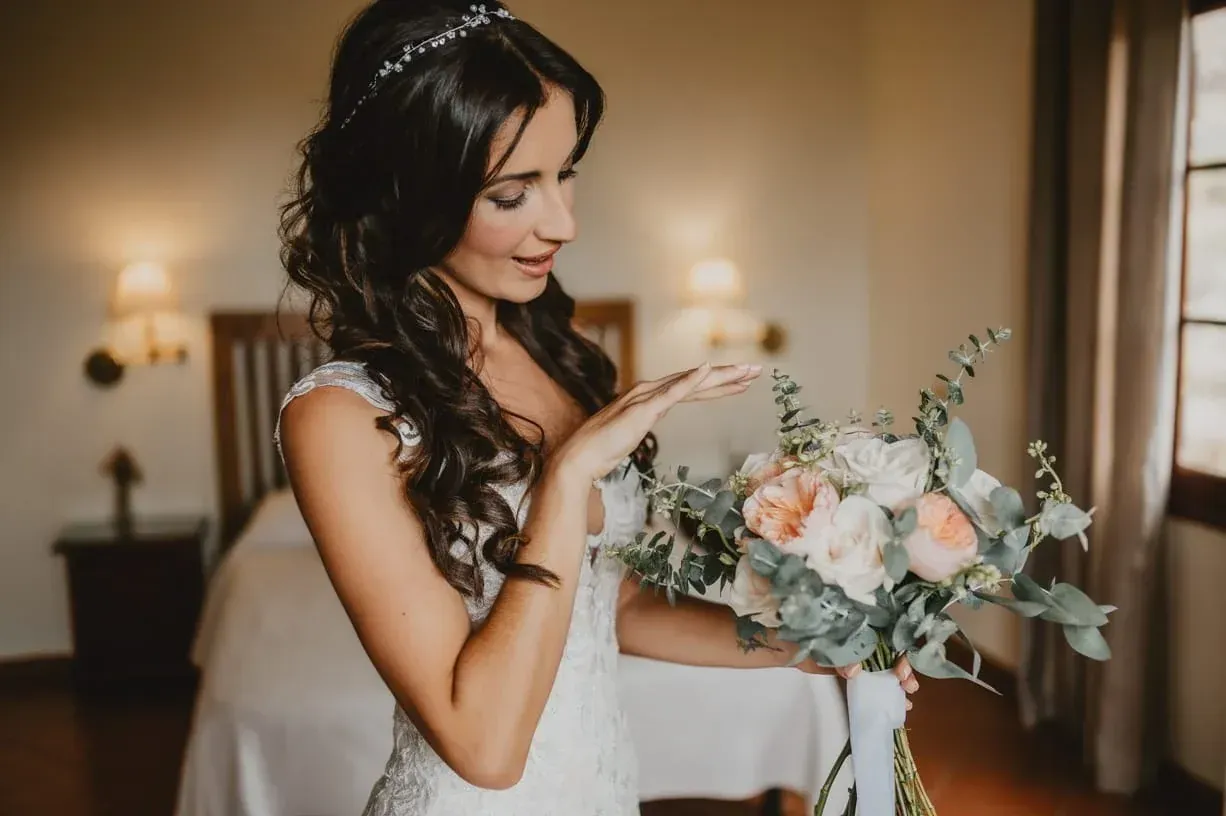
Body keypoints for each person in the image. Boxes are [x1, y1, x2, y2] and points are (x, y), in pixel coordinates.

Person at [276, 2, 917, 814]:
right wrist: (568, 472)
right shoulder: (339, 416)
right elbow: (484, 747)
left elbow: (616, 605)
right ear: (407, 194)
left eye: (565, 172)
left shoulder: (556, 353)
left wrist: (810, 644)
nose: (564, 223)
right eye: (513, 194)